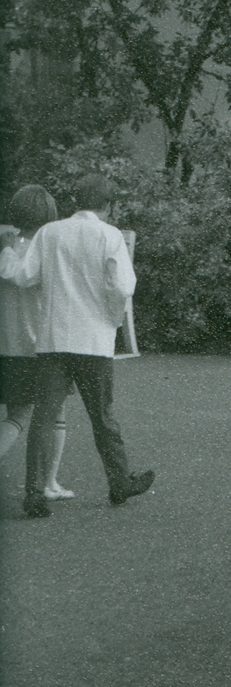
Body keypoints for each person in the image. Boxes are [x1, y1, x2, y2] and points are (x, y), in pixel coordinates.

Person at [16, 174, 152, 517]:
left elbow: (26, 276)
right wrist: (112, 317)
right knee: (102, 416)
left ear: (75, 200)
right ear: (109, 204)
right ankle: (119, 482)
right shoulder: (110, 235)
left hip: (53, 339)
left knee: (44, 417)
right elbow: (124, 287)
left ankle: (34, 493)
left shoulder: (50, 232)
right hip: (93, 339)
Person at [0, 186, 71, 504]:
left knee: (16, 414)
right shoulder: (44, 249)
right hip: (40, 347)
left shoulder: (8, 247)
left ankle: (50, 482)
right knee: (54, 413)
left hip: (7, 344)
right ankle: (49, 482)